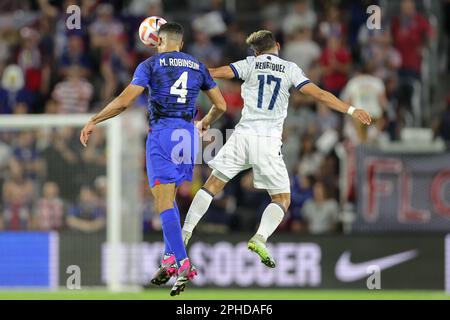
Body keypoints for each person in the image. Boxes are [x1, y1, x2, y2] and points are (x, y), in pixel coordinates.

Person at [181, 30, 371, 268]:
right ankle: (260, 237)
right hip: (268, 139)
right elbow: (320, 95)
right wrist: (352, 110)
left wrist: (186, 68)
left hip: (242, 135)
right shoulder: (290, 69)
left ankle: (185, 233)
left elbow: (216, 73)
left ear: (255, 51)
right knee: (282, 198)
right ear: (277, 46)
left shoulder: (249, 63)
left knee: (212, 185)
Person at [79, 22, 226, 296]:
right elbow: (222, 105)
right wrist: (204, 123)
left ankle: (183, 264)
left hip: (163, 133)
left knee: (161, 202)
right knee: (169, 199)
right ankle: (169, 259)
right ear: (180, 43)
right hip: (188, 136)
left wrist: (95, 119)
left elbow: (124, 101)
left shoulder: (151, 65)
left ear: (158, 42)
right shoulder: (197, 65)